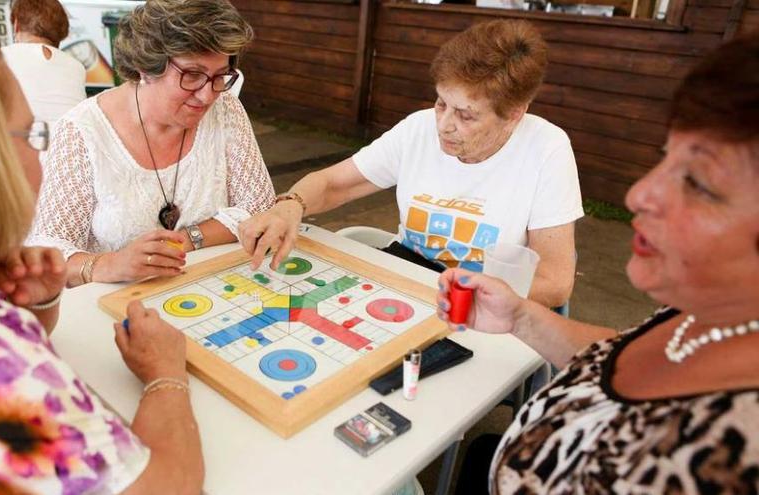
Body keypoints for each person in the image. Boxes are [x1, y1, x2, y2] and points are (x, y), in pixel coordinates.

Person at [0, 8, 203, 494]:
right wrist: (165, 375)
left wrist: (36, 305)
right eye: (31, 135)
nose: (39, 156)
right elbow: (169, 488)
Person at [437, 35, 759, 494]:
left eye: (699, 182)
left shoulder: (736, 452)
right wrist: (523, 317)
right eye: (665, 159)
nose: (639, 195)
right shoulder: (706, 313)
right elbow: (624, 359)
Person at [239, 20, 582, 309]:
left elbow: (554, 283)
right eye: (441, 102)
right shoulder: (418, 128)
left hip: (484, 302)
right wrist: (290, 205)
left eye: (466, 115)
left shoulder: (546, 149)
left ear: (515, 114)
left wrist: (459, 293)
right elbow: (334, 184)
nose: (445, 124)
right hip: (408, 279)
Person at [26, 0, 275, 286]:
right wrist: (106, 264)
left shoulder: (226, 109)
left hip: (214, 288)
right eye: (192, 75)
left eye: (220, 76)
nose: (208, 96)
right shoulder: (81, 133)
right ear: (145, 68)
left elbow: (260, 207)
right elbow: (48, 249)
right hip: (117, 303)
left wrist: (185, 241)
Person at [2, 0, 87, 125]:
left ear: (16, 25)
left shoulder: (0, 57)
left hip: (19, 142)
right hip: (68, 142)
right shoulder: (76, 67)